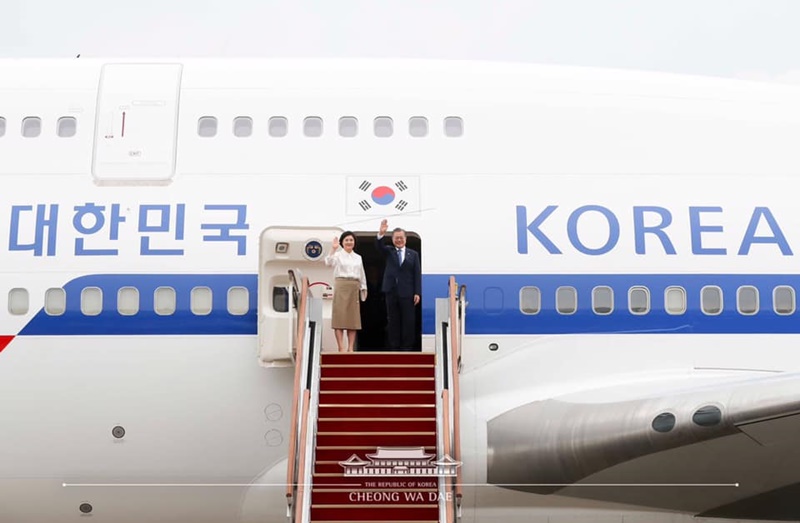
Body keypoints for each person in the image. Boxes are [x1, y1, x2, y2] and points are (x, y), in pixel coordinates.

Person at [376, 219, 421, 350]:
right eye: (396, 238)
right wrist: (381, 234)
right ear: (393, 239)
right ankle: (394, 346)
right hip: (391, 291)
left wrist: (417, 292)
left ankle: (407, 346)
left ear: (405, 239)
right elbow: (379, 247)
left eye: (401, 238)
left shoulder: (413, 254)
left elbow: (416, 274)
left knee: (408, 320)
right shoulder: (389, 251)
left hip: (408, 292)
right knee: (393, 320)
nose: (399, 240)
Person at [325, 231, 367, 352]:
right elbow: (328, 263)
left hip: (354, 286)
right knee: (339, 317)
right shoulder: (338, 255)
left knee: (352, 319)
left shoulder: (358, 257)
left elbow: (361, 273)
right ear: (342, 242)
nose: (349, 242)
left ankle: (350, 347)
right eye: (346, 240)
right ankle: (341, 347)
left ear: (354, 242)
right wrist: (332, 249)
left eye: (351, 240)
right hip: (341, 285)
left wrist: (364, 287)